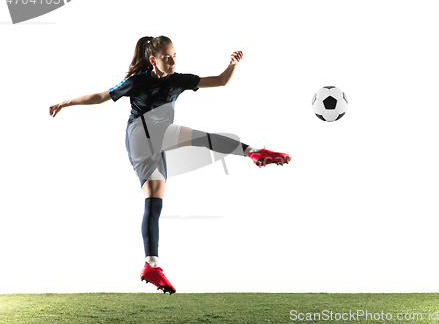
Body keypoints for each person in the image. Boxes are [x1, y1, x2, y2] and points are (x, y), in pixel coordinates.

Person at [49, 35, 291, 294]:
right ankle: (254, 153)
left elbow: (220, 81)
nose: (172, 60)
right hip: (140, 135)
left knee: (154, 201)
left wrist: (232, 64)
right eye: (167, 57)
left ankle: (151, 264)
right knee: (200, 137)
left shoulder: (178, 80)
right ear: (154, 60)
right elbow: (100, 96)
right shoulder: (138, 80)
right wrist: (65, 102)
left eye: (175, 55)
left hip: (155, 141)